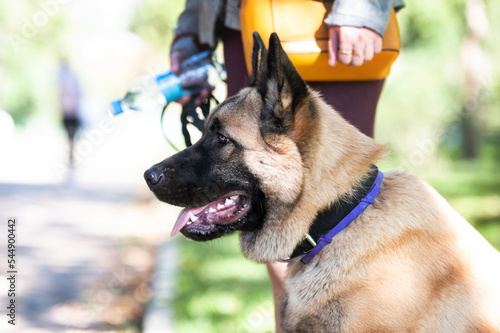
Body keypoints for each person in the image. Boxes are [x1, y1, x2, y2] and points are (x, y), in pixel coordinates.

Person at [170, 0, 404, 331]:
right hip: (242, 20)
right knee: (274, 227)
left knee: (347, 220)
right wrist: (190, 32)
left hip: (332, 31)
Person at [58, 57, 82, 167]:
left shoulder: (69, 77)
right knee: (69, 135)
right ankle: (70, 155)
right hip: (68, 111)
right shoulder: (64, 77)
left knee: (71, 135)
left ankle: (71, 156)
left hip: (72, 111)